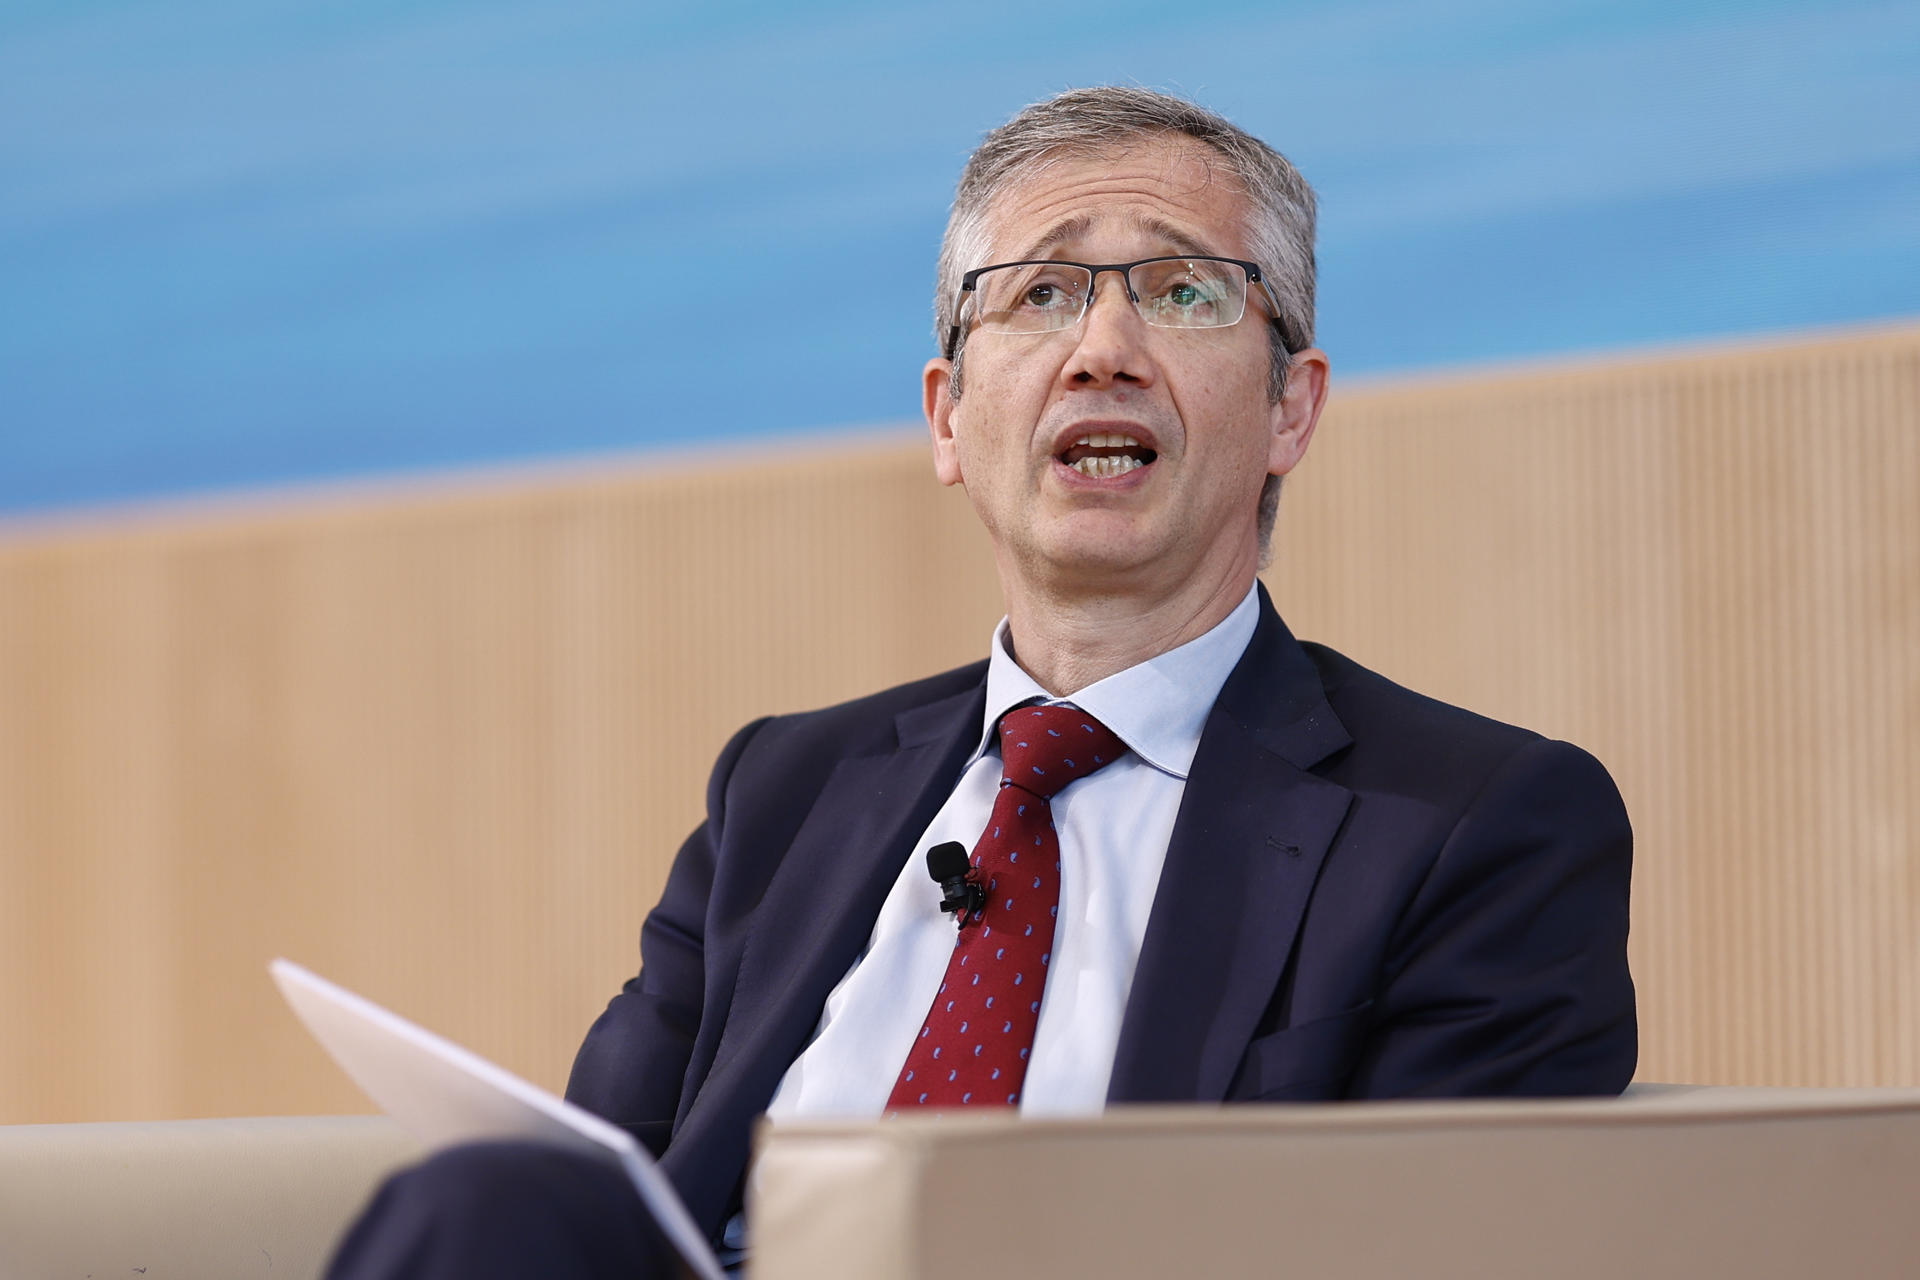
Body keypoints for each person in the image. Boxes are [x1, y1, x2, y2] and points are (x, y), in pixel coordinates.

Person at [329, 86, 1635, 1279]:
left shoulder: (1477, 824)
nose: (1104, 349)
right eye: (1042, 294)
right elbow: (609, 1187)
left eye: (1185, 294)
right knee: (490, 1205)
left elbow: (1450, 1248)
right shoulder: (784, 793)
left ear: (1293, 408)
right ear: (949, 417)